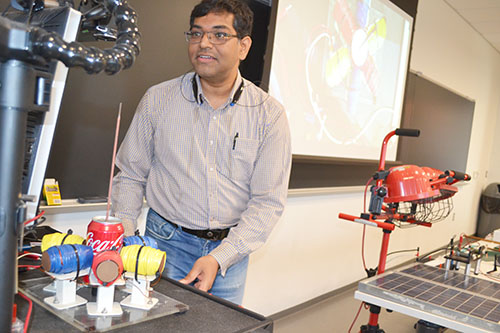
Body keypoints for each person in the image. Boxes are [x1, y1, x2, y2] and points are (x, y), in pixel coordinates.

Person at [111, 0, 291, 305]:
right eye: (196, 34)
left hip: (230, 255)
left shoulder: (268, 115)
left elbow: (267, 202)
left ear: (243, 46)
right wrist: (125, 238)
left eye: (219, 35)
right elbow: (130, 174)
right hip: (164, 244)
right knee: (157, 326)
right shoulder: (158, 99)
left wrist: (220, 258)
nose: (204, 43)